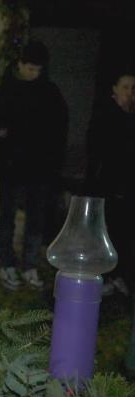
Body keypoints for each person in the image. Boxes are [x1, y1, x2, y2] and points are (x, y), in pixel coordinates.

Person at [0, 41, 68, 290]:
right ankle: (7, 264)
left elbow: (60, 131)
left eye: (38, 69)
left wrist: (53, 164)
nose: (34, 74)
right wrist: (5, 151)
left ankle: (30, 266)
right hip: (13, 168)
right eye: (30, 68)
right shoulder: (4, 92)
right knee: (8, 218)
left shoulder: (51, 93)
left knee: (36, 220)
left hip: (41, 170)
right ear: (19, 65)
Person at [85, 69, 135, 376]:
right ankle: (109, 276)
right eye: (127, 87)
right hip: (111, 190)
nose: (131, 92)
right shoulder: (106, 116)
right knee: (112, 234)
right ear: (115, 90)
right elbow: (103, 152)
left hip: (127, 192)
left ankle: (121, 278)